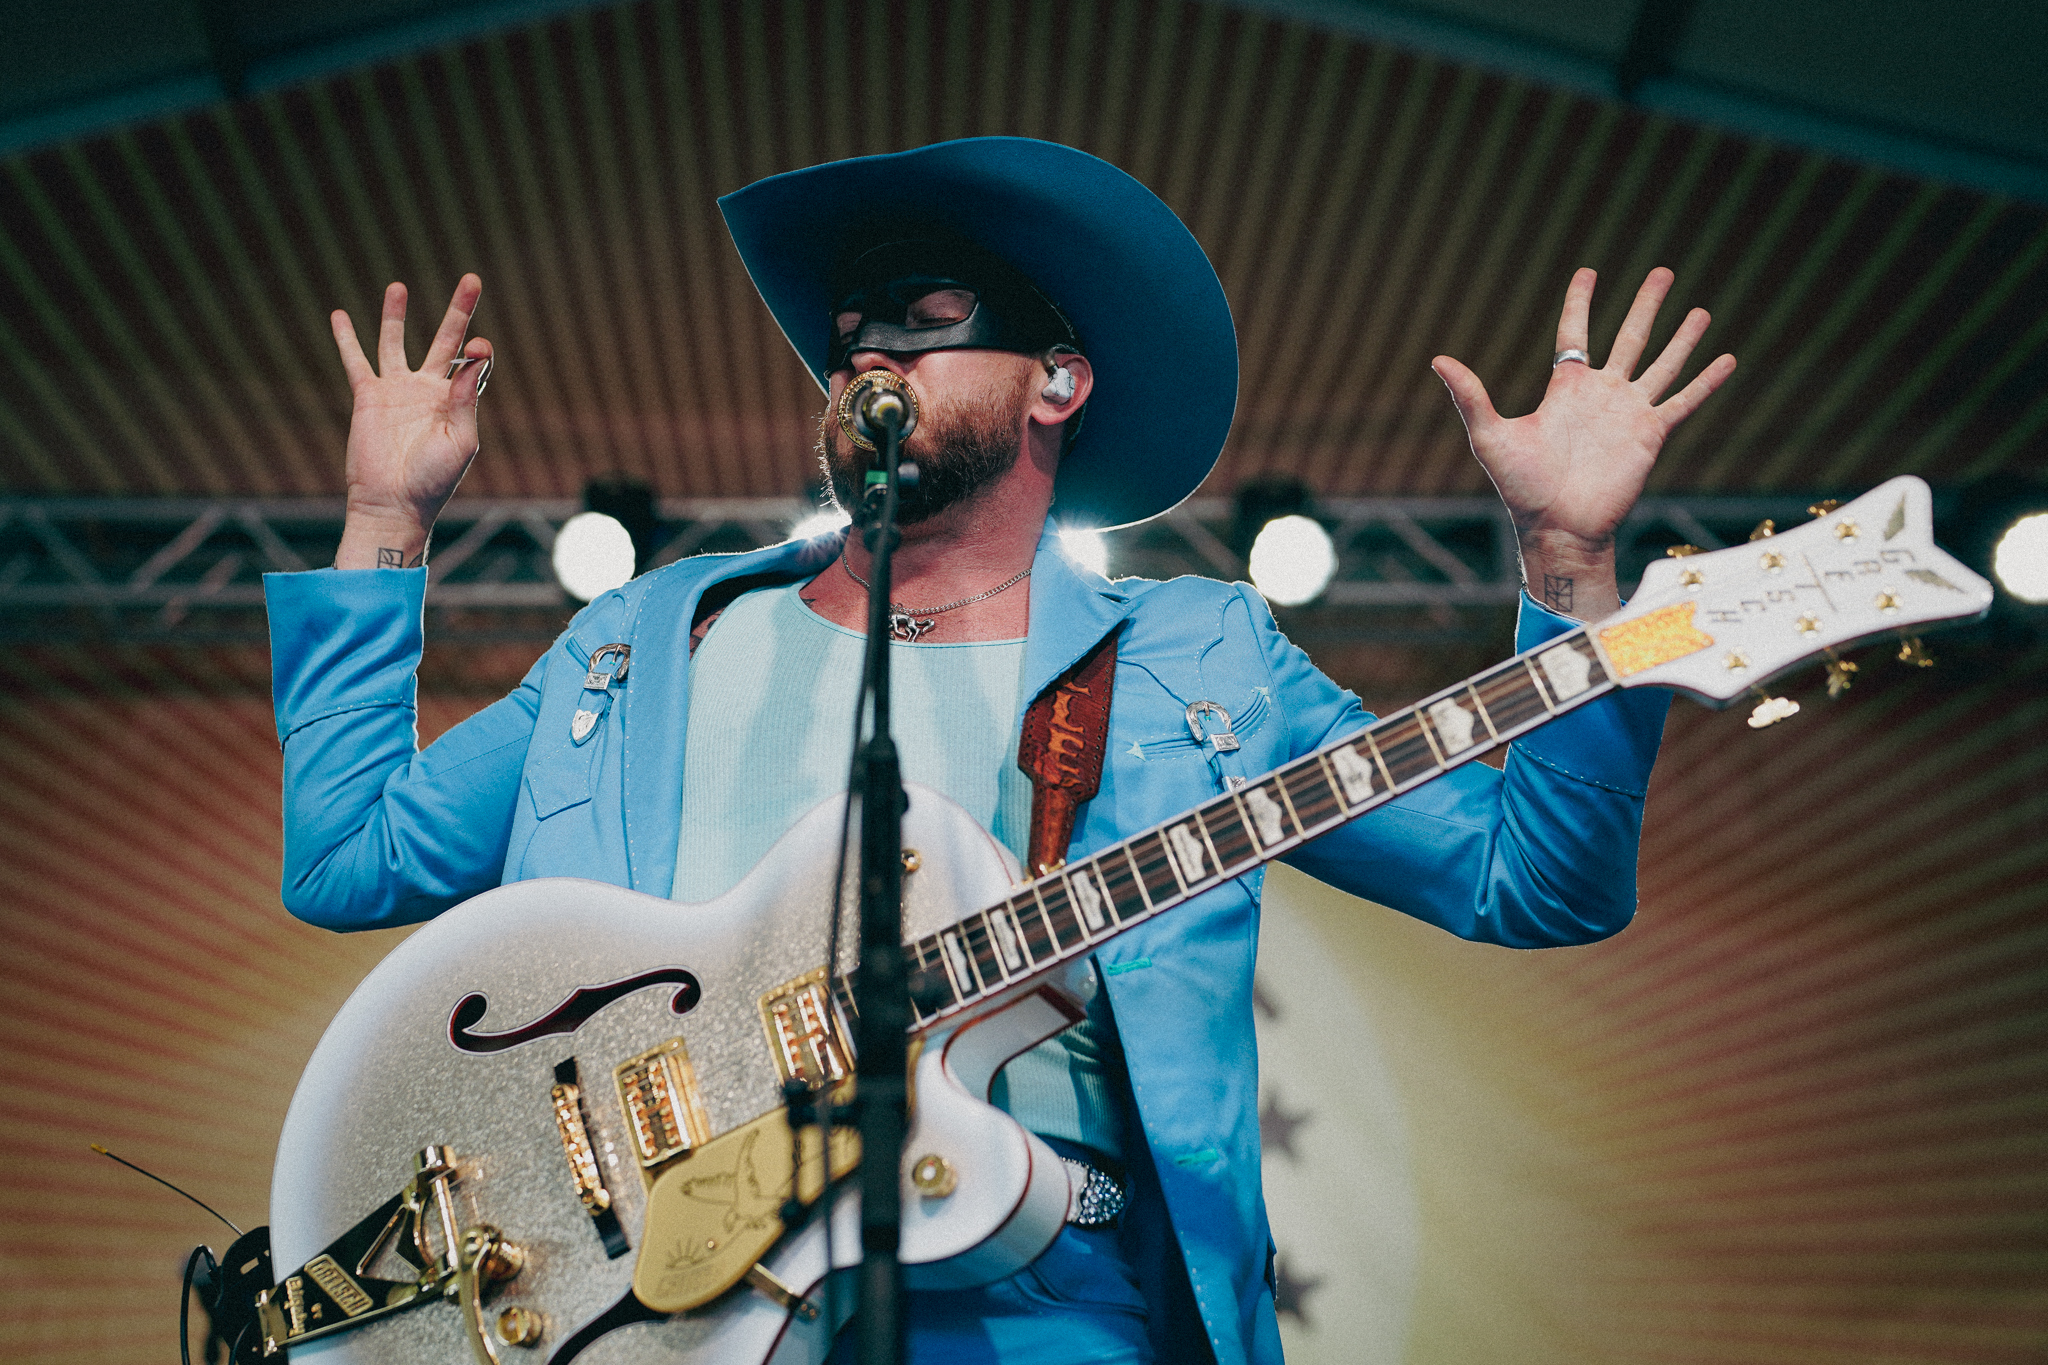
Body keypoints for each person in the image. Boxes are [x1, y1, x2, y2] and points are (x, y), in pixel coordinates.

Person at [266, 137, 1733, 1365]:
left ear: (1058, 381)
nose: (869, 348)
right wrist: (386, 522)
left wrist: (1568, 558)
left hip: (1047, 1312)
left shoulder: (1200, 661)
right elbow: (348, 857)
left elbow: (1536, 880)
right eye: (851, 327)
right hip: (651, 1311)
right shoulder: (650, 637)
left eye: (928, 313)